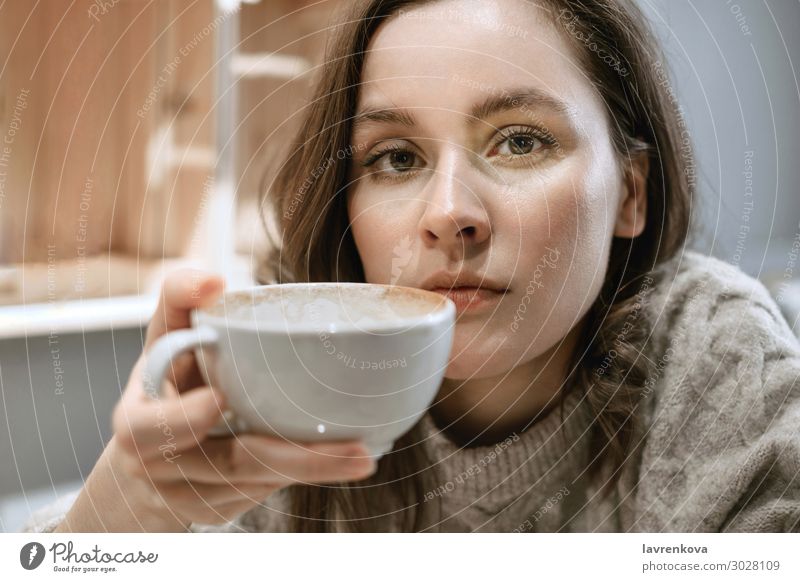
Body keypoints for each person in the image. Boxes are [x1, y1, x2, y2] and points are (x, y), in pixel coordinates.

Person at [25, 0, 800, 533]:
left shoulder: (720, 362)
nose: (448, 212)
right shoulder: (294, 372)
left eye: (520, 140)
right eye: (396, 158)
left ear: (630, 192)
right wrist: (124, 511)